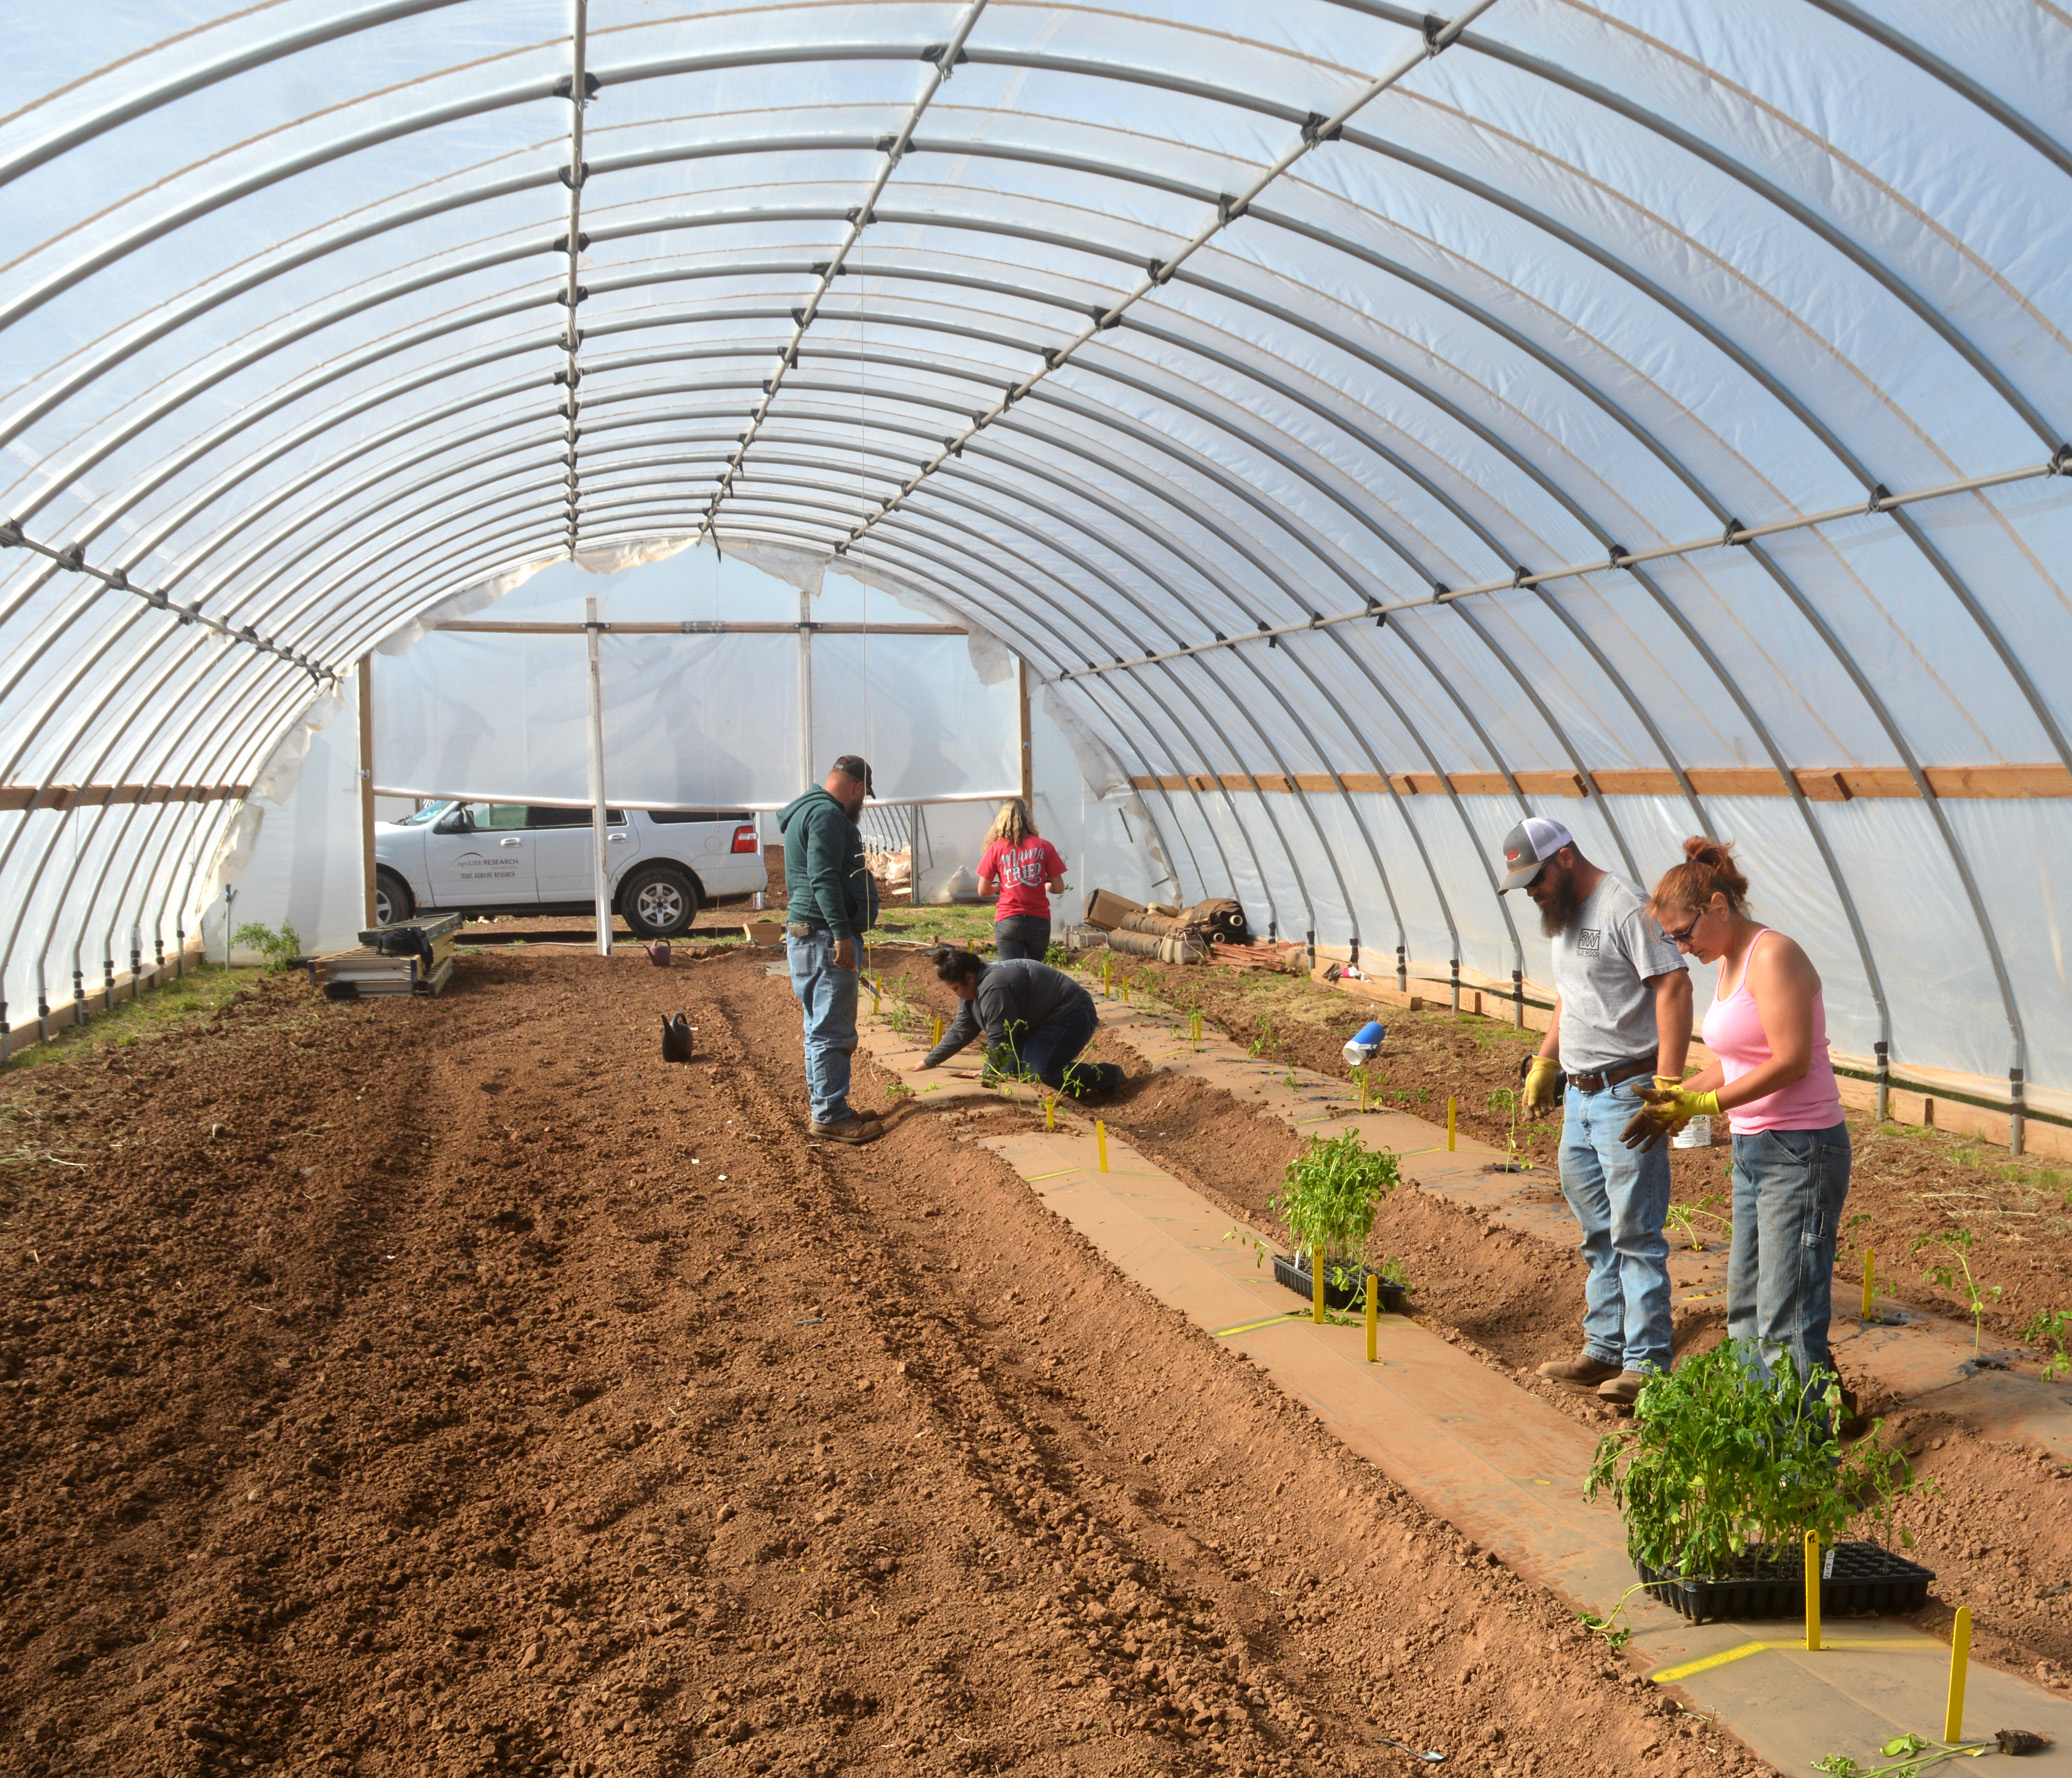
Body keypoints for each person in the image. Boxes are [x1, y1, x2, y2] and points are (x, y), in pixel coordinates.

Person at [1624, 838, 1850, 1388]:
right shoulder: (1729, 964)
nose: (1680, 947)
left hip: (1800, 1150)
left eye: (1684, 933)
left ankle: (1797, 1454)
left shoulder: (1773, 955)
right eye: (1671, 937)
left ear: (1718, 906)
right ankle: (1760, 1432)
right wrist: (1675, 1097)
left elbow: (1792, 1060)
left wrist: (1703, 1104)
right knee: (1747, 1308)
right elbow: (1735, 1062)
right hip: (1756, 1149)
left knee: (1786, 1314)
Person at [1498, 816, 1692, 1406]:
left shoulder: (1624, 906)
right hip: (1580, 1095)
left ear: (1564, 858)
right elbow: (1570, 994)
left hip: (1624, 1091)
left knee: (1635, 1230)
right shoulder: (1561, 919)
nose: (1530, 892)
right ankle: (1603, 1347)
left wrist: (1667, 1085)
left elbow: (1675, 986)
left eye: (1534, 879)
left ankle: (1645, 1362)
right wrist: (1545, 1061)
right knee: (1596, 1231)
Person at [776, 755, 882, 1144]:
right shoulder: (826, 815)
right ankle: (829, 1114)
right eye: (863, 795)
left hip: (810, 936)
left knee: (819, 1027)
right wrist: (841, 934)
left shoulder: (808, 811)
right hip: (823, 938)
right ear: (856, 787)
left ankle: (830, 1104)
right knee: (831, 1031)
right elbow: (822, 876)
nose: (862, 803)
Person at [917, 948, 1122, 1098]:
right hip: (1037, 1023)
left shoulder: (993, 986)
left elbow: (1000, 1035)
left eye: (955, 988)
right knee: (1013, 1070)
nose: (955, 994)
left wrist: (990, 1071)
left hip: (1069, 1013)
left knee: (1039, 1074)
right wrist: (929, 1061)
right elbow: (962, 1028)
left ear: (969, 977)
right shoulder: (972, 990)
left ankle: (1108, 1075)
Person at [977, 799, 1067, 961]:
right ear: (1028, 819)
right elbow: (1059, 888)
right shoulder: (1045, 846)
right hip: (1038, 920)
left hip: (1008, 919)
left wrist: (998, 888)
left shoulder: (996, 848)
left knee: (1012, 973)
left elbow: (983, 890)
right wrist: (1046, 886)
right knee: (1032, 972)